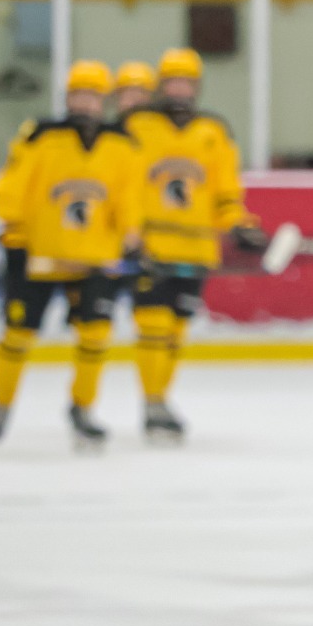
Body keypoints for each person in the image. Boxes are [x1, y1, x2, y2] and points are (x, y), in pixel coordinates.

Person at [0, 60, 143, 449]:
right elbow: (11, 186)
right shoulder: (40, 135)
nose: (84, 103)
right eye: (77, 95)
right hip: (38, 255)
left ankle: (82, 409)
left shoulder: (121, 144)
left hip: (93, 256)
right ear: (67, 97)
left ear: (103, 101)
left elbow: (129, 197)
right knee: (19, 334)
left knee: (96, 333)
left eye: (91, 96)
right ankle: (2, 406)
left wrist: (131, 237)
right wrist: (15, 234)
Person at [121, 47, 266, 444]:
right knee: (152, 325)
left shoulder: (213, 131)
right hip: (151, 246)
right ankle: (151, 403)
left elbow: (224, 192)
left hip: (197, 249)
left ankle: (160, 399)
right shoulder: (137, 125)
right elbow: (122, 184)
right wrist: (128, 233)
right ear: (160, 85)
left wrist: (239, 225)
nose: (179, 90)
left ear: (197, 87)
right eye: (172, 82)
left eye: (186, 82)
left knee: (175, 330)